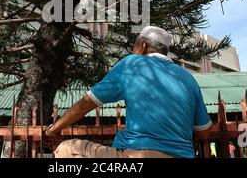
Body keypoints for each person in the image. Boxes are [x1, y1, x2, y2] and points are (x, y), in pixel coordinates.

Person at [46, 26, 212, 158]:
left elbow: (87, 103)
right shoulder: (188, 78)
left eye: (134, 45)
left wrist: (54, 129)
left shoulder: (132, 63)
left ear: (143, 45)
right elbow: (204, 133)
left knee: (65, 150)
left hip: (141, 155)